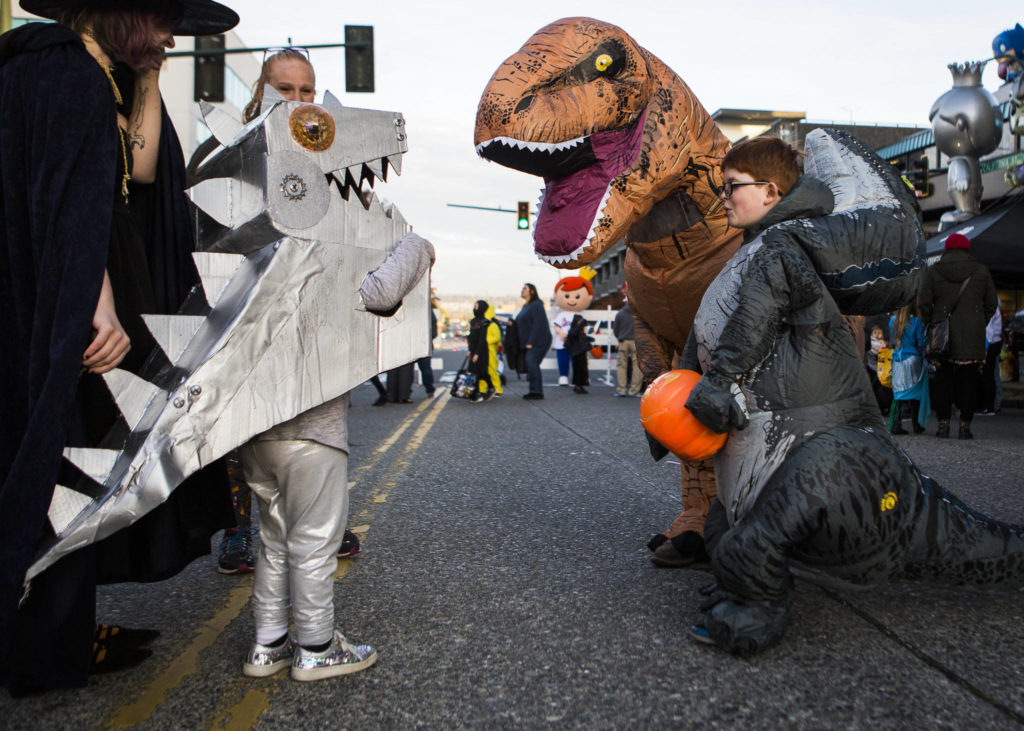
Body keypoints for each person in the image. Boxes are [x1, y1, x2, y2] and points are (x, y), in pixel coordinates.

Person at [0, 0, 238, 694]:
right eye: (161, 19)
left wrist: (148, 74)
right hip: (68, 300)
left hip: (63, 297)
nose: (170, 34)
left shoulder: (82, 74)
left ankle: (60, 632)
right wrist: (94, 300)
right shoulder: (62, 72)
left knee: (71, 459)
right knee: (59, 460)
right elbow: (65, 207)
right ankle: (43, 647)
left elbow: (137, 174)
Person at [240, 233, 435, 682]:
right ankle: (317, 647)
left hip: (255, 432)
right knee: (313, 544)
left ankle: (267, 646)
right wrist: (418, 244)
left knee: (273, 540)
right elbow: (383, 291)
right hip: (312, 433)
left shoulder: (258, 257)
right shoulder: (325, 252)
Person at [918, 233, 997, 439]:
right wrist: (979, 321)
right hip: (972, 337)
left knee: (943, 380)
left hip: (942, 336)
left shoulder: (934, 271)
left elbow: (923, 303)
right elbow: (992, 304)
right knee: (968, 382)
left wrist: (931, 322)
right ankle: (964, 426)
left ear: (947, 249)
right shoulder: (981, 271)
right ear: (967, 249)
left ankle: (943, 425)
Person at [888, 303, 930, 434]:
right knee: (916, 393)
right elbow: (921, 342)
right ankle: (917, 425)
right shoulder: (915, 321)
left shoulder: (892, 321)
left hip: (897, 359)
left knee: (898, 394)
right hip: (912, 359)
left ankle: (895, 425)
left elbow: (892, 340)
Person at [514, 283, 552, 399]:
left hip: (539, 341)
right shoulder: (526, 306)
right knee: (531, 364)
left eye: (524, 289)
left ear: (532, 291)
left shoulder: (537, 305)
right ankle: (534, 390)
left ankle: (537, 392)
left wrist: (531, 342)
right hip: (529, 342)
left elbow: (538, 324)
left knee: (532, 363)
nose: (522, 290)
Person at [466, 300, 503, 402]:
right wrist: (470, 350)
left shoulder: (485, 323)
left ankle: (480, 393)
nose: (475, 308)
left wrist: (477, 353)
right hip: (476, 351)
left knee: (481, 372)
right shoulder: (475, 322)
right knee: (478, 373)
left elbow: (483, 339)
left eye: (476, 306)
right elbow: (472, 338)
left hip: (483, 352)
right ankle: (483, 390)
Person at [613, 289, 642, 397]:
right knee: (637, 366)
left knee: (622, 365)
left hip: (623, 341)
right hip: (636, 342)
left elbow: (616, 329)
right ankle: (634, 390)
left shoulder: (620, 314)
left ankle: (621, 389)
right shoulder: (639, 314)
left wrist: (619, 336)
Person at [978, 309, 1003, 414]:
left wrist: (985, 349)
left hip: (990, 344)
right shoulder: (992, 306)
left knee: (987, 375)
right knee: (991, 375)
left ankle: (988, 406)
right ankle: (991, 405)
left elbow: (988, 330)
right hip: (993, 343)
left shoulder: (988, 306)